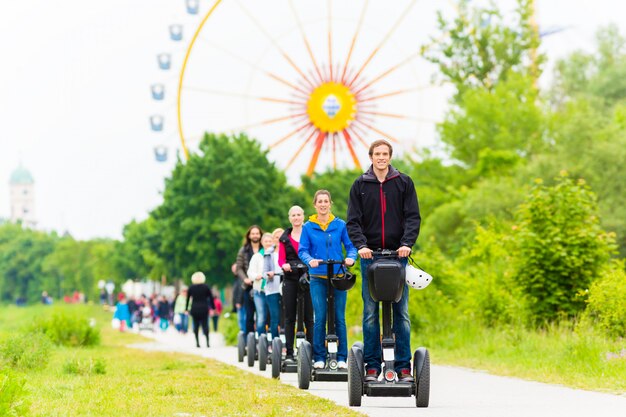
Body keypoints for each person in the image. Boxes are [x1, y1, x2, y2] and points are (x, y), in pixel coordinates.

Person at [347, 139, 421, 383]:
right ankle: (371, 366)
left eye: (385, 154)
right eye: (377, 154)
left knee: (402, 312)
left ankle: (402, 367)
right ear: (371, 157)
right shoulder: (360, 185)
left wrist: (407, 244)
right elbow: (353, 221)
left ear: (390, 157)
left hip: (398, 256)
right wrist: (361, 246)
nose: (381, 157)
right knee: (370, 313)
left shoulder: (403, 183)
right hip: (370, 257)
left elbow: (412, 217)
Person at [298, 190, 357, 369]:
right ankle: (319, 358)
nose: (323, 204)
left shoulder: (340, 225)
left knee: (339, 317)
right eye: (320, 202)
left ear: (330, 204)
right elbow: (303, 250)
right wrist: (310, 261)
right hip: (318, 276)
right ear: (315, 205)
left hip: (338, 276)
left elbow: (351, 247)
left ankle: (341, 358)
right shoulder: (308, 227)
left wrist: (351, 258)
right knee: (320, 317)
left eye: (326, 201)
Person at [279, 205, 314, 362]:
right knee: (289, 316)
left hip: (307, 276)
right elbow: (281, 258)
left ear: (303, 216)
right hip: (291, 276)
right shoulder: (284, 238)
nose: (296, 218)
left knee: (309, 316)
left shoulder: (310, 234)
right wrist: (283, 265)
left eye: (299, 214)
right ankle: (290, 353)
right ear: (289, 218)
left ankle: (313, 352)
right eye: (293, 215)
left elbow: (314, 253)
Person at [247, 233, 282, 340]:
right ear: (262, 243)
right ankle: (261, 341)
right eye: (266, 241)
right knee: (261, 317)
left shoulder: (275, 255)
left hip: (272, 289)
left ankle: (274, 341)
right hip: (260, 290)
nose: (268, 243)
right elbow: (250, 272)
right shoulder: (257, 256)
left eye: (270, 241)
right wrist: (256, 276)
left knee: (274, 316)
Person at [236, 225, 263, 335]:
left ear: (260, 235)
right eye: (253, 233)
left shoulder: (264, 249)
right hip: (248, 286)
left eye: (257, 233)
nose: (255, 235)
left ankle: (263, 338)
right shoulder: (244, 250)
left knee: (263, 314)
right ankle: (250, 340)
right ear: (249, 235)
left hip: (262, 285)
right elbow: (239, 268)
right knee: (249, 313)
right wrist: (245, 279)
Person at [186, 271, 215, 348]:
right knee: (205, 326)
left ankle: (197, 343)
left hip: (194, 309)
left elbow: (188, 299)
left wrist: (186, 309)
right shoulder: (206, 287)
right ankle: (207, 342)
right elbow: (211, 298)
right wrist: (212, 308)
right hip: (204, 309)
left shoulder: (191, 287)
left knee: (196, 326)